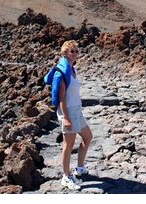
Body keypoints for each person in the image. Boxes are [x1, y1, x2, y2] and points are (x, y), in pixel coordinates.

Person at [55, 40, 93, 191]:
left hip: (76, 110)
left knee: (87, 137)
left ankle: (79, 168)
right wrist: (65, 117)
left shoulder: (72, 69)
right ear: (64, 53)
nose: (75, 53)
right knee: (68, 145)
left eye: (77, 51)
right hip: (68, 112)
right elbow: (61, 98)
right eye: (72, 51)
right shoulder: (62, 71)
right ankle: (66, 176)